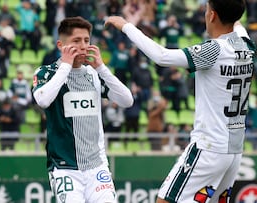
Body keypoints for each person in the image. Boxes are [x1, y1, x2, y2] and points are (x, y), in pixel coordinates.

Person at [105, 0, 256, 202]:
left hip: (209, 147)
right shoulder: (246, 45)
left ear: (212, 16)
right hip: (234, 150)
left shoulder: (214, 50)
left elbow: (162, 56)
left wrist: (126, 26)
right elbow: (237, 24)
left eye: (207, 11)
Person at [32, 16, 133, 202]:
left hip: (97, 166)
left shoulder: (93, 74)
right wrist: (66, 65)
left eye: (86, 40)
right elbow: (43, 100)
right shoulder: (46, 72)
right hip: (65, 168)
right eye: (76, 41)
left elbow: (127, 100)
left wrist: (101, 67)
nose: (83, 46)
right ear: (61, 45)